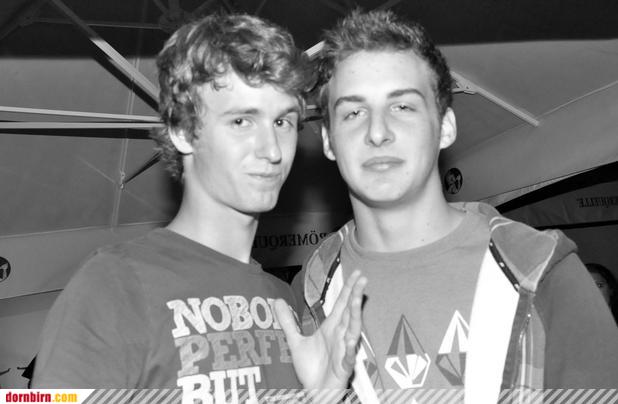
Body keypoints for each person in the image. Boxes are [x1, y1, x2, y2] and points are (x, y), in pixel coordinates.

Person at [32, 13, 366, 402]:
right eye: (241, 121)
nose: (272, 150)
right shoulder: (114, 286)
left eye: (283, 122)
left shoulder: (282, 301)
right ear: (183, 131)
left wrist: (323, 395)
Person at [292, 9, 618, 403]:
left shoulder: (543, 273)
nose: (377, 132)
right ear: (329, 140)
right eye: (353, 112)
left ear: (445, 127)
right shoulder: (312, 291)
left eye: (403, 106)